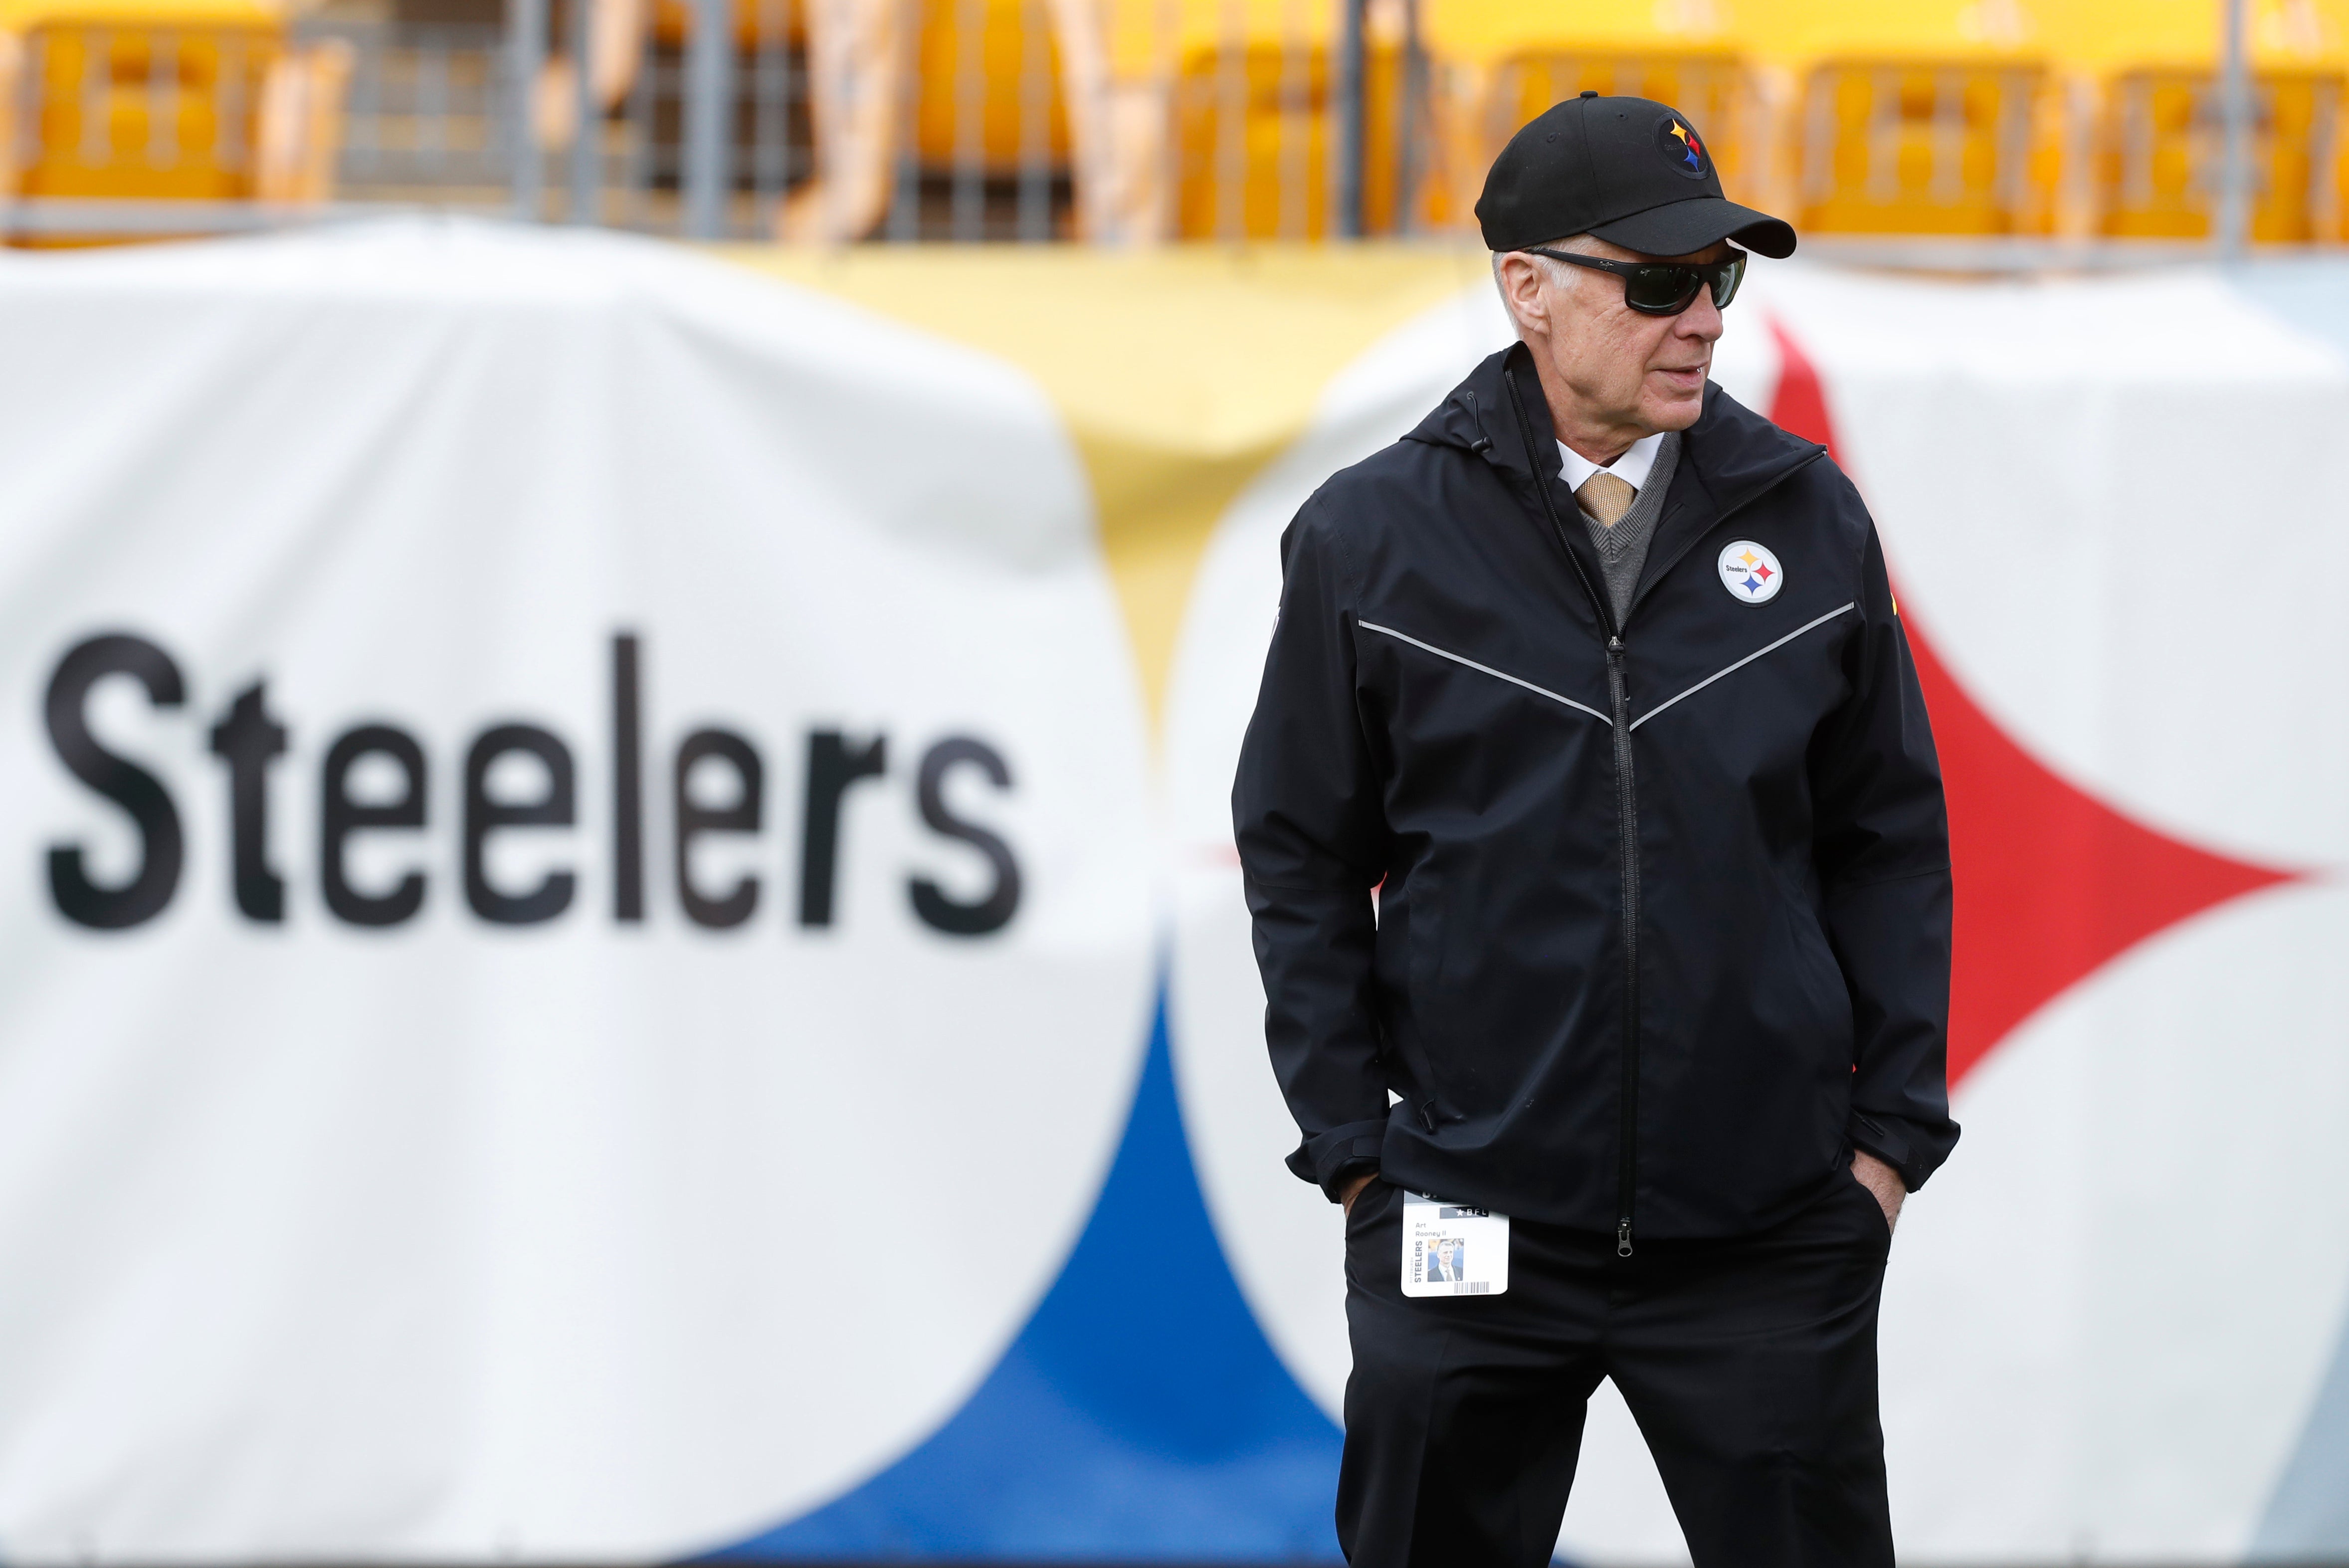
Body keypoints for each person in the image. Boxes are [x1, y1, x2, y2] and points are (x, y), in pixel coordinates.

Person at [1232, 92, 1957, 1568]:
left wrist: (1882, 1151)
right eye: (1660, 283)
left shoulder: (1812, 518)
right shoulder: (1372, 536)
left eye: (1722, 279)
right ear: (1530, 292)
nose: (1702, 321)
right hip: (1467, 1229)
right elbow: (1300, 849)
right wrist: (1363, 1160)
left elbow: (1889, 838)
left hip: (1766, 1233)